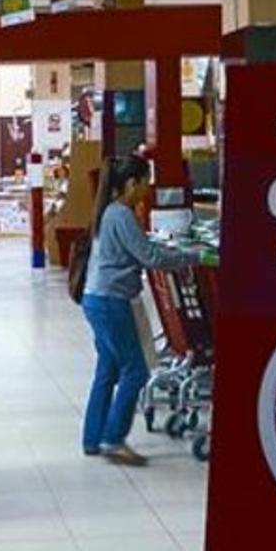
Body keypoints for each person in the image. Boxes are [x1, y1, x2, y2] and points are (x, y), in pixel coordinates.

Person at [81, 154, 205, 466]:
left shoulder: (109, 212)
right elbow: (149, 256)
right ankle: (113, 439)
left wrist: (174, 251)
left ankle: (93, 438)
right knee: (135, 370)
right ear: (130, 183)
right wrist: (195, 257)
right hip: (112, 301)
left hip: (97, 298)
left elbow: (143, 249)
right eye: (144, 182)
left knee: (108, 368)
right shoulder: (121, 214)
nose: (147, 189)